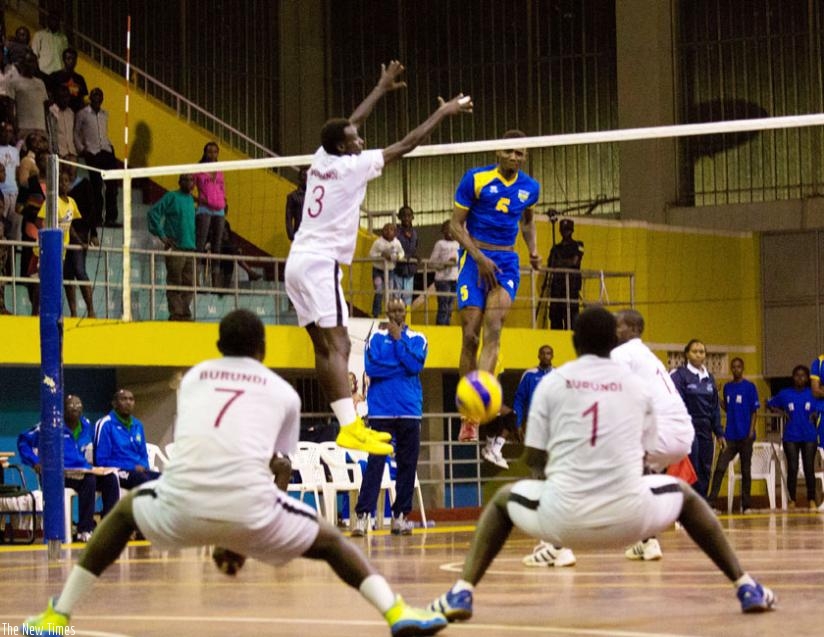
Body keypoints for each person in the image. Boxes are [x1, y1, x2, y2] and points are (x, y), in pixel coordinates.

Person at [21, 310, 448, 637]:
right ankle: (395, 612)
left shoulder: (194, 380)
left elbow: (208, 451)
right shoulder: (283, 393)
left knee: (124, 512)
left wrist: (226, 531)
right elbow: (278, 465)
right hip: (253, 509)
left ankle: (57, 614)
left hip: (181, 504)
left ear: (219, 345)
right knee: (333, 543)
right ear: (262, 349)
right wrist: (243, 533)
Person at [427, 307, 775, 624]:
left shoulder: (552, 384)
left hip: (564, 520)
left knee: (503, 500)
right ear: (614, 341)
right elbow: (644, 454)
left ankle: (462, 592)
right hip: (630, 517)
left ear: (574, 342)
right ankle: (745, 585)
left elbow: (535, 459)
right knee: (684, 495)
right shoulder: (638, 387)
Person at [283, 60, 472, 456]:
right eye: (355, 141)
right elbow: (406, 144)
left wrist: (380, 87)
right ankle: (351, 427)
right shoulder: (353, 166)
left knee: (324, 346)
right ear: (343, 148)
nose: (361, 140)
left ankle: (348, 426)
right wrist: (442, 112)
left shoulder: (321, 158)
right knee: (339, 345)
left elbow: (351, 122)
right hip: (319, 264)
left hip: (297, 262)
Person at [449, 129, 541, 442]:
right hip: (474, 259)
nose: (514, 157)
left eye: (520, 153)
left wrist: (533, 250)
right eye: (509, 151)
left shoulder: (530, 188)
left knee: (494, 328)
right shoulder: (476, 179)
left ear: (525, 157)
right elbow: (455, 225)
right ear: (497, 152)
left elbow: (527, 221)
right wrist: (479, 258)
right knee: (471, 335)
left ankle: (475, 412)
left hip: (506, 263)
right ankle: (467, 408)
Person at [612, 309, 694, 561]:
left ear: (633, 330)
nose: (613, 330)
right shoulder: (649, 355)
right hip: (682, 434)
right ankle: (648, 540)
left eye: (618, 325)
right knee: (640, 476)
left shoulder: (620, 353)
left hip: (660, 432)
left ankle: (556, 546)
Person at [352, 298, 427, 537]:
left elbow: (415, 366)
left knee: (407, 464)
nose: (396, 313)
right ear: (386, 312)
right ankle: (363, 516)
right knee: (375, 463)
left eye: (400, 310)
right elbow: (372, 368)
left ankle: (400, 517)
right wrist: (401, 365)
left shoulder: (418, 338)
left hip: (409, 411)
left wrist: (398, 340)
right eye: (392, 309)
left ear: (405, 312)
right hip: (381, 411)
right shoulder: (374, 338)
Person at [17, 394, 120, 542]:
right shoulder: (49, 425)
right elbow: (23, 441)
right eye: (71, 405)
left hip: (81, 471)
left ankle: (108, 528)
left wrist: (94, 467)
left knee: (110, 479)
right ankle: (85, 530)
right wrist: (35, 462)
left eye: (78, 405)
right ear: (62, 409)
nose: (75, 408)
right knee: (89, 480)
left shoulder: (85, 425)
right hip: (57, 476)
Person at [512, 344, 578, 569]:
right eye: (544, 353)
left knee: (554, 480)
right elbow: (519, 399)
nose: (547, 356)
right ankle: (549, 537)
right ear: (539, 355)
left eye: (550, 353)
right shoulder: (529, 376)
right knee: (538, 480)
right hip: (536, 430)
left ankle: (556, 540)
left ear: (553, 356)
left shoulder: (559, 375)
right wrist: (517, 422)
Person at [36, 169, 94, 318]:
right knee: (48, 280)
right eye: (60, 181)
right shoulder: (51, 202)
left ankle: (86, 311)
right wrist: (48, 237)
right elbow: (39, 220)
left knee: (64, 277)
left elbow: (70, 226)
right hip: (51, 248)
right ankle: (37, 312)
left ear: (70, 183)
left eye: (66, 181)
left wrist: (80, 242)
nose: (63, 184)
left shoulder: (72, 202)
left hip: (64, 249)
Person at [670, 339, 723, 500]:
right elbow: (676, 403)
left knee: (706, 468)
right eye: (695, 351)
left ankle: (702, 502)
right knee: (692, 467)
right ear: (687, 354)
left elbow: (714, 407)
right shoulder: (679, 375)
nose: (699, 355)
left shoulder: (709, 378)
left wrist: (719, 432)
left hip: (705, 428)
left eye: (702, 352)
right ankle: (689, 504)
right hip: (688, 427)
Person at [708, 358, 760, 513]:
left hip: (745, 436)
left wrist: (751, 431)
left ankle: (746, 505)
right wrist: (716, 397)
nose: (736, 369)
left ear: (742, 368)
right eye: (734, 367)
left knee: (745, 471)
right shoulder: (728, 387)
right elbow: (727, 407)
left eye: (739, 366)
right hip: (730, 435)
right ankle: (711, 503)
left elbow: (754, 411)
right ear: (731, 369)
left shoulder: (750, 387)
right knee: (720, 467)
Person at [766, 365, 819, 510]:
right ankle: (792, 500)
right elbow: (769, 403)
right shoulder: (785, 393)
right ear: (793, 377)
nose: (800, 378)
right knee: (793, 468)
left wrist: (816, 415)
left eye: (803, 375)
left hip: (809, 436)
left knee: (809, 468)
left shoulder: (813, 393)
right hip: (790, 436)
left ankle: (811, 499)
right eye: (797, 375)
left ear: (807, 378)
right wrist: (781, 412)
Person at [147, 174, 197, 321]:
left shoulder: (191, 200)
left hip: (190, 247)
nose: (190, 183)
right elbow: (153, 213)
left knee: (190, 284)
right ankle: (176, 313)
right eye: (186, 180)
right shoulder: (171, 196)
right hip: (176, 247)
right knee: (175, 281)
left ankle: (185, 313)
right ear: (180, 182)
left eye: (192, 180)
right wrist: (162, 235)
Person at [94, 389, 161, 490]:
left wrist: (143, 466)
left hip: (138, 470)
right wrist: (131, 467)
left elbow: (143, 454)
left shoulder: (138, 425)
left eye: (131, 399)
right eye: (123, 399)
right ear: (114, 404)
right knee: (144, 481)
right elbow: (101, 460)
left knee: (166, 480)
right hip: (117, 470)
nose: (128, 402)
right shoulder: (106, 424)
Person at [74, 87, 122, 228]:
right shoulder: (82, 114)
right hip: (92, 152)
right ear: (90, 97)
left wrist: (110, 147)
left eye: (99, 96)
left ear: (102, 98)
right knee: (96, 186)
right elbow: (76, 133)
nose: (97, 98)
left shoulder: (105, 114)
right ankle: (97, 218)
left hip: (106, 151)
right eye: (94, 95)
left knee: (112, 186)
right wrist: (82, 149)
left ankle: (111, 218)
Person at [193, 141, 227, 287]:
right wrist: (199, 199)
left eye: (215, 151)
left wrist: (224, 201)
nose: (212, 154)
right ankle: (196, 276)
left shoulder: (220, 170)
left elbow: (222, 187)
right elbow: (189, 186)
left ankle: (215, 280)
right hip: (204, 209)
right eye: (209, 151)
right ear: (205, 153)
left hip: (219, 209)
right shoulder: (198, 170)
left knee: (217, 244)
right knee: (200, 243)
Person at [548, 218, 584, 330]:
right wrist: (566, 262)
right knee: (555, 317)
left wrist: (560, 263)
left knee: (572, 317)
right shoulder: (556, 248)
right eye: (563, 230)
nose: (565, 233)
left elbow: (575, 261)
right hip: (557, 286)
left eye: (568, 230)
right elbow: (551, 264)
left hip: (571, 286)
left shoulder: (579, 245)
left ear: (572, 231)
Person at [369, 222, 404, 318]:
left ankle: (390, 313)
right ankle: (376, 313)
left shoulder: (397, 243)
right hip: (378, 271)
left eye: (391, 230)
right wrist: (381, 255)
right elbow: (371, 254)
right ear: (382, 231)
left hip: (390, 271)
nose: (388, 232)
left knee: (390, 292)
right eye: (386, 230)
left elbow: (402, 252)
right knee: (379, 291)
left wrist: (398, 257)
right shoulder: (378, 242)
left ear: (395, 232)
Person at [428, 220, 459, 326]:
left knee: (450, 305)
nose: (450, 232)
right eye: (448, 229)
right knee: (443, 304)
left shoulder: (458, 244)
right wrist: (444, 265)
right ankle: (441, 325)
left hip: (455, 278)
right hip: (443, 279)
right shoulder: (440, 244)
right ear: (443, 231)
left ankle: (447, 325)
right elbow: (431, 263)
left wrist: (456, 261)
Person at [47, 47, 88, 112]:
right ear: (63, 60)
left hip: (75, 113)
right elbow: (50, 96)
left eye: (73, 59)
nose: (71, 61)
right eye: (68, 58)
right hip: (59, 112)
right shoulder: (55, 76)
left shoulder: (80, 79)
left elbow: (82, 99)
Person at [394, 205, 418, 306]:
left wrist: (415, 256)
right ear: (399, 217)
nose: (406, 218)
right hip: (397, 269)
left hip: (410, 269)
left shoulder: (415, 233)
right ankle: (396, 315)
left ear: (413, 217)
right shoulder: (395, 232)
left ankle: (407, 315)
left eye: (409, 216)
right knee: (396, 295)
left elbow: (415, 247)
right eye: (403, 216)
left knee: (408, 295)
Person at [285, 167, 307, 242]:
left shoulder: (313, 196)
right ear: (299, 178)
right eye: (304, 175)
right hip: (299, 235)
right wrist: (291, 235)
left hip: (311, 236)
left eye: (308, 176)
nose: (306, 178)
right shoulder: (293, 196)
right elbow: (288, 218)